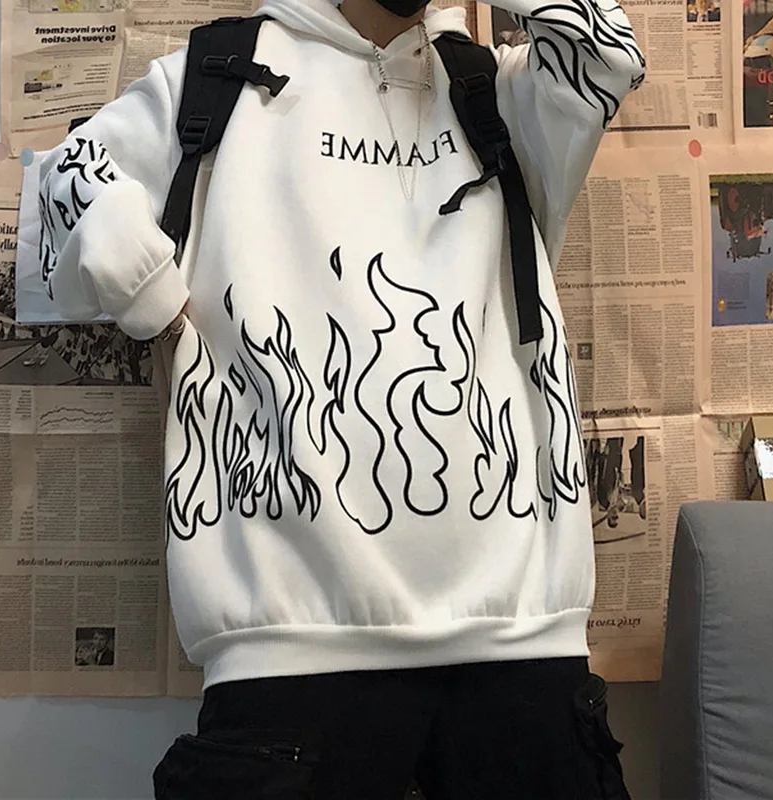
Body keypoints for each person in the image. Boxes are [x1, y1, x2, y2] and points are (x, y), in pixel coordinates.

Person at [33, 0, 644, 794]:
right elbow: (66, 179)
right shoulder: (220, 73)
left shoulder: (497, 90)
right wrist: (153, 300)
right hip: (287, 651)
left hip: (522, 640)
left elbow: (608, 52)